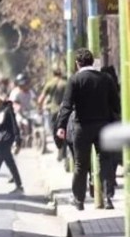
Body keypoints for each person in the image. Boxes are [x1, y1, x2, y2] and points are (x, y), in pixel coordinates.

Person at [55, 48, 121, 210]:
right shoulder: (106, 79)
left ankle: (79, 200)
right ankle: (108, 198)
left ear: (77, 63)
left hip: (82, 127)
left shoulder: (75, 80)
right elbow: (116, 105)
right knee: (105, 161)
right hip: (103, 127)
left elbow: (67, 106)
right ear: (92, 61)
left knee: (80, 165)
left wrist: (61, 126)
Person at [37, 67, 67, 160]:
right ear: (61, 73)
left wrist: (39, 108)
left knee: (55, 130)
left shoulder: (49, 84)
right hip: (65, 110)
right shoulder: (65, 83)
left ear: (53, 74)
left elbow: (41, 99)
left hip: (53, 111)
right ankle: (64, 150)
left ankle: (59, 147)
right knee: (65, 129)